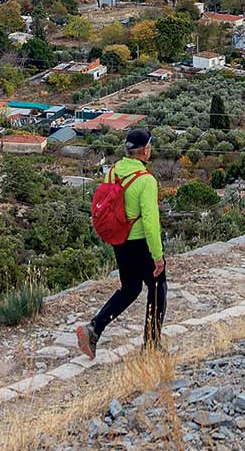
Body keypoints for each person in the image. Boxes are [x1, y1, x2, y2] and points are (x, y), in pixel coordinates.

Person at [76, 129, 165, 359]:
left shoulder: (115, 171)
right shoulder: (146, 181)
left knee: (130, 288)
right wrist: (158, 256)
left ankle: (95, 328)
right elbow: (150, 222)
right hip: (140, 243)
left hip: (119, 241)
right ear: (145, 150)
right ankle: (152, 345)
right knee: (158, 288)